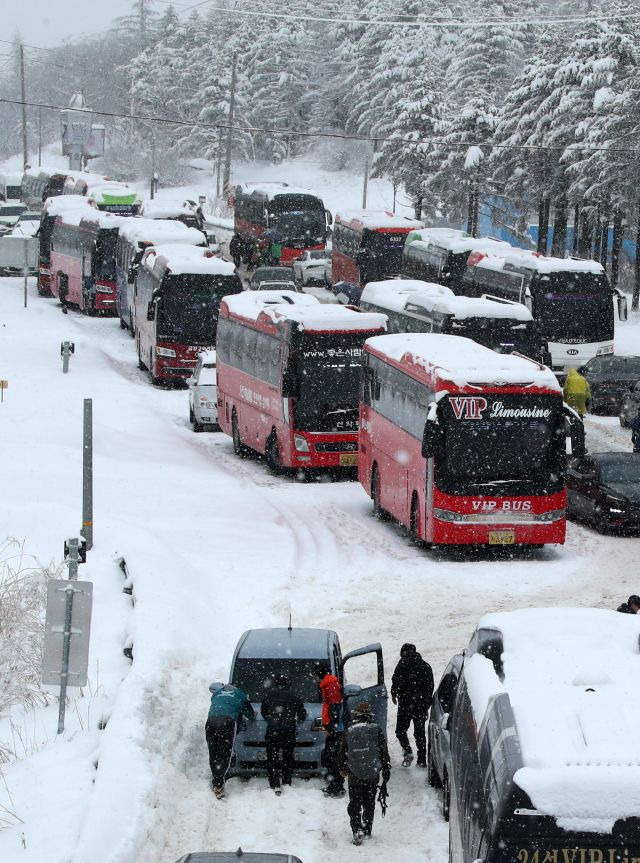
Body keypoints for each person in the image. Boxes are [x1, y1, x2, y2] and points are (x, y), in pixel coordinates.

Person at [338, 701, 390, 846]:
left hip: (355, 775)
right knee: (369, 803)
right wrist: (385, 768)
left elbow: (342, 751)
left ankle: (356, 830)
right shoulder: (376, 729)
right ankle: (367, 829)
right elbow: (383, 751)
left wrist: (342, 768)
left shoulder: (350, 730)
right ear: (369, 716)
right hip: (372, 774)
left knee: (355, 804)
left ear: (357, 715)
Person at [205, 682, 255, 799]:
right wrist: (250, 715)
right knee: (225, 751)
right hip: (226, 722)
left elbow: (218, 704)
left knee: (214, 751)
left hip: (210, 722)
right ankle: (219, 783)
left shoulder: (217, 693)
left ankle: (216, 778)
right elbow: (250, 714)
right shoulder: (241, 695)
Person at [260, 674, 307, 794]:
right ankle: (287, 781)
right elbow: (302, 714)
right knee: (288, 756)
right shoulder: (294, 696)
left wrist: (272, 720)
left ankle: (274, 783)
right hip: (288, 730)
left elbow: (263, 712)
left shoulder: (268, 696)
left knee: (272, 757)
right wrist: (296, 720)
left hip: (272, 730)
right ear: (288, 684)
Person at [391, 643, 434, 767]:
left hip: (405, 704)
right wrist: (426, 705)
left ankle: (407, 750)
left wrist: (394, 694)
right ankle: (422, 760)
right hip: (420, 705)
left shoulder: (402, 664)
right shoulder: (425, 666)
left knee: (400, 731)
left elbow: (396, 681)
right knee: (420, 733)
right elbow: (430, 687)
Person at [313, 663, 345, 797]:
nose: (314, 679)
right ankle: (334, 783)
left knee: (331, 757)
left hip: (336, 729)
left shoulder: (330, 685)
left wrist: (331, 727)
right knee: (329, 756)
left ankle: (337, 786)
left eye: (315, 675)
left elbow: (335, 707)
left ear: (320, 674)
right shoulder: (328, 684)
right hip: (334, 727)